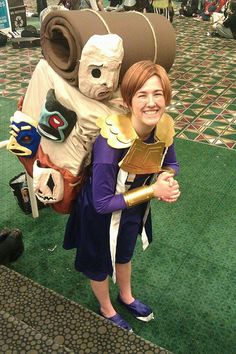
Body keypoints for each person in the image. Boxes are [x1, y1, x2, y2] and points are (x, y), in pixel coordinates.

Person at [63, 60, 181, 331]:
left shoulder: (163, 126)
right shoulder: (110, 141)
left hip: (134, 206)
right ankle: (106, 307)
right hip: (99, 213)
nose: (151, 102)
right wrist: (154, 190)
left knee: (124, 253)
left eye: (157, 94)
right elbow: (102, 203)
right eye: (142, 94)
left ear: (166, 97)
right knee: (99, 262)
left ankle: (126, 295)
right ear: (128, 101)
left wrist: (166, 177)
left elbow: (171, 163)